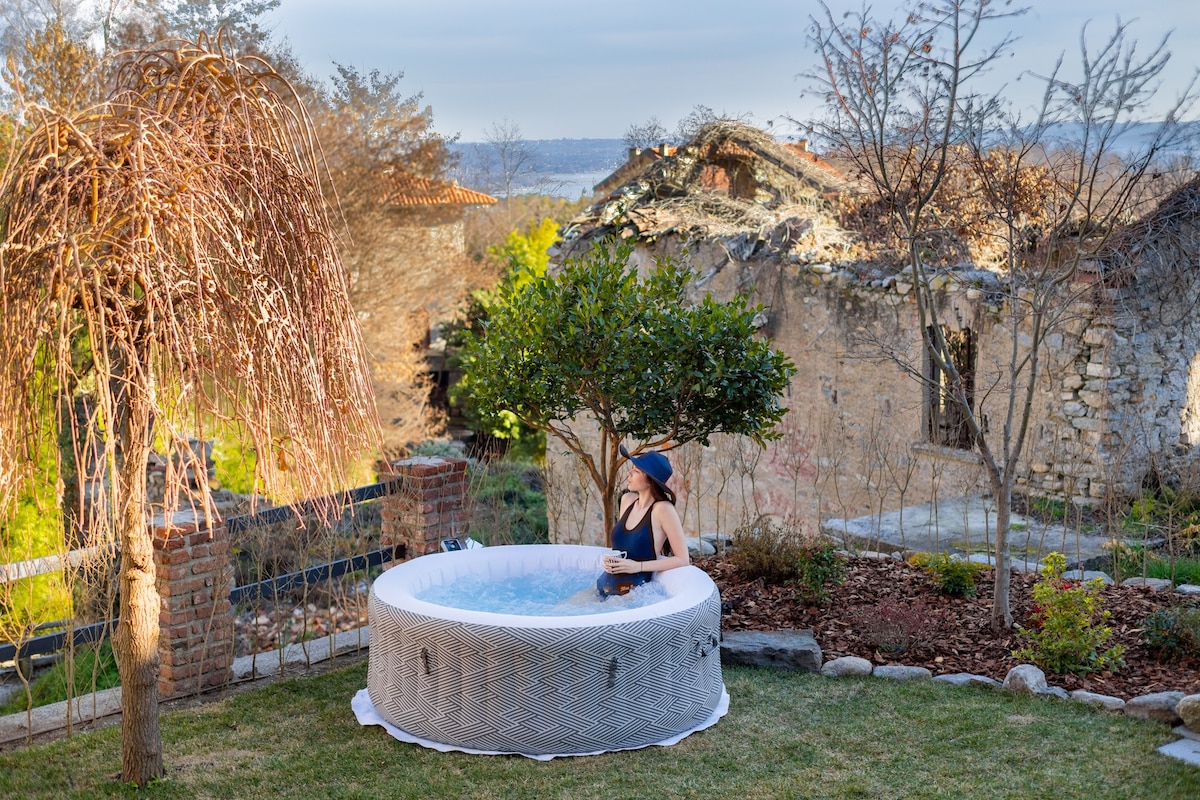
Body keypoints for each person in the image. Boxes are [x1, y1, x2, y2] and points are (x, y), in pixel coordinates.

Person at [597, 444, 690, 597]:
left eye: (636, 471)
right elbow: (624, 546)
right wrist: (609, 561)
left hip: (633, 593)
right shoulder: (627, 500)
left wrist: (637, 566)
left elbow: (682, 559)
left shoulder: (663, 510)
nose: (629, 473)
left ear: (650, 481)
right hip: (603, 584)